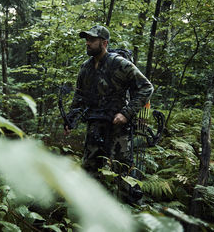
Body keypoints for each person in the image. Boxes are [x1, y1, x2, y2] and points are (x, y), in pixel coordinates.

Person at [64, 25, 153, 195]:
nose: (87, 43)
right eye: (86, 40)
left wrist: (126, 114)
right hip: (95, 125)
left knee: (123, 173)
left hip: (118, 126)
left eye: (92, 40)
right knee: (89, 171)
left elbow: (146, 88)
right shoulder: (85, 67)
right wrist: (71, 119)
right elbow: (79, 97)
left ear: (104, 43)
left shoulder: (119, 64)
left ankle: (130, 210)